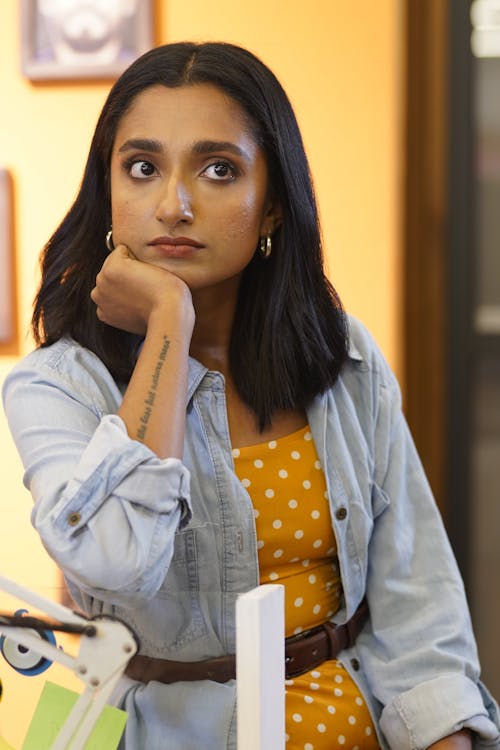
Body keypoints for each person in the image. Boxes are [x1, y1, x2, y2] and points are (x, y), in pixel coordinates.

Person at [2, 41, 499, 750]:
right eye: (142, 168)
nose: (173, 204)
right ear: (108, 191)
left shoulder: (342, 357)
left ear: (270, 208)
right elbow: (119, 559)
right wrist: (169, 323)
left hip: (356, 727)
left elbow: (419, 602)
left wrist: (446, 736)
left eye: (218, 169)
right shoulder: (55, 385)